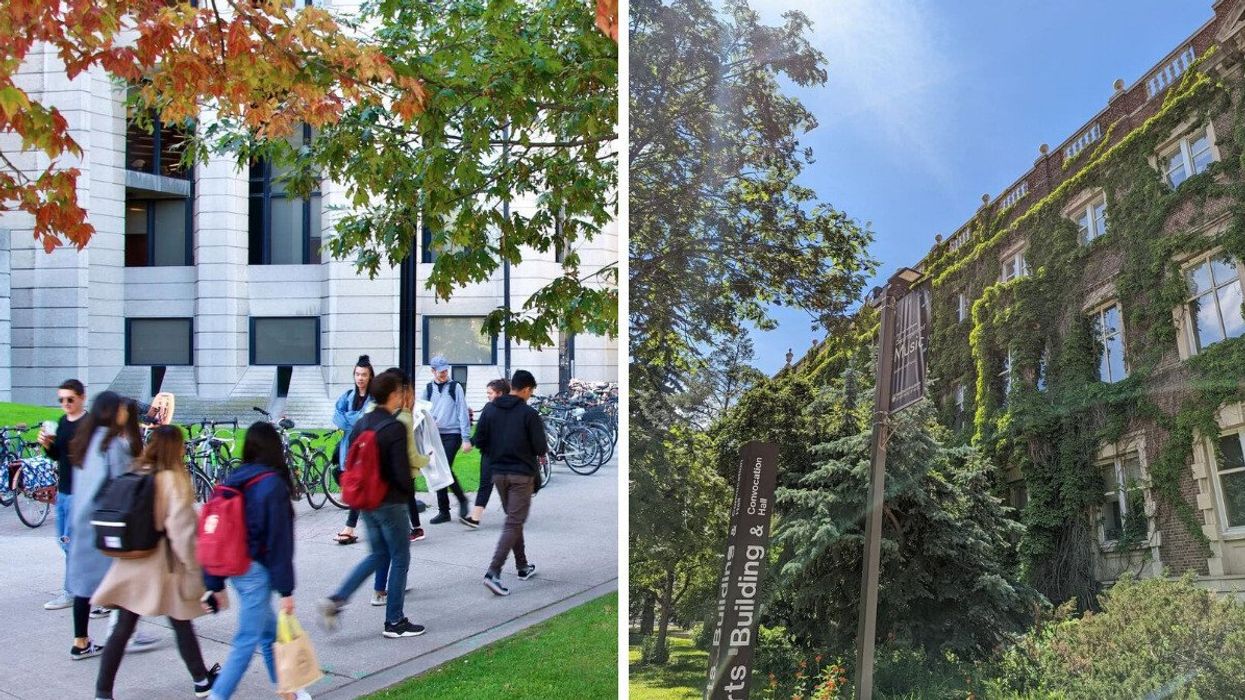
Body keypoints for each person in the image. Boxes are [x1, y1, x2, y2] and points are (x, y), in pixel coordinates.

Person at [91, 426, 220, 699]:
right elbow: (182, 532)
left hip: (131, 561)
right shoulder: (172, 479)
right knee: (180, 620)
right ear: (176, 448)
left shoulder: (138, 470)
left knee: (123, 627)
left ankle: (103, 691)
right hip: (162, 563)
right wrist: (196, 569)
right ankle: (201, 680)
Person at [201, 422, 305, 700]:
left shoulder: (234, 478)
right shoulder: (272, 485)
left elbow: (214, 532)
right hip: (255, 572)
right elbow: (279, 543)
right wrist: (286, 591)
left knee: (269, 633)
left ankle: (288, 692)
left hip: (237, 569)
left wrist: (215, 582)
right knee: (247, 640)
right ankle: (218, 696)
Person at [318, 369, 425, 638]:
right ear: (392, 395)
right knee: (400, 557)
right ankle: (395, 621)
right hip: (390, 502)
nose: (403, 396)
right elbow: (401, 472)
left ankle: (337, 599)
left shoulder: (362, 423)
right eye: (400, 392)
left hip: (366, 501)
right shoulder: (394, 427)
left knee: (378, 555)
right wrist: (409, 495)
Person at [66, 393, 156, 658]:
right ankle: (123, 634)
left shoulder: (86, 440)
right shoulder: (113, 445)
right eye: (121, 410)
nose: (125, 414)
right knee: (124, 579)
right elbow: (124, 483)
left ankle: (80, 641)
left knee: (83, 584)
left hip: (82, 519)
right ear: (112, 411)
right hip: (107, 522)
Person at [474, 370, 548, 596]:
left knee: (513, 520)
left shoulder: (490, 410)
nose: (530, 395)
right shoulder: (528, 414)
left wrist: (496, 452)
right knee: (514, 522)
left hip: (498, 473)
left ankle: (522, 566)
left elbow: (479, 440)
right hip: (521, 475)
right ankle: (493, 572)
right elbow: (540, 447)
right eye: (531, 391)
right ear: (525, 389)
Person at [39, 378, 87, 610]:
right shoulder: (62, 422)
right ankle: (80, 589)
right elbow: (58, 455)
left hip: (83, 492)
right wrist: (48, 445)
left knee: (73, 543)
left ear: (81, 398)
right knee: (65, 540)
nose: (66, 404)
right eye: (62, 400)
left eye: (70, 399)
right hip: (65, 491)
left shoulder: (89, 424)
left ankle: (74, 591)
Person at [424, 356, 471, 524]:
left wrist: (465, 438)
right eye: (440, 371)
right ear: (433, 371)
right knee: (438, 471)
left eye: (445, 370)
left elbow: (462, 412)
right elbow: (423, 412)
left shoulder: (455, 387)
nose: (444, 373)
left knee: (445, 468)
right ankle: (444, 511)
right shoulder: (428, 389)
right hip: (435, 435)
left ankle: (462, 500)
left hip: (453, 434)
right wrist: (429, 422)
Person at [334, 355, 374, 545]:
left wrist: (350, 419)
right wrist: (354, 419)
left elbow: (364, 421)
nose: (360, 378)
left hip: (367, 450)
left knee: (360, 487)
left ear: (370, 376)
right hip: (349, 447)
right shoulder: (348, 396)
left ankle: (349, 528)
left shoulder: (374, 398)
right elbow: (338, 417)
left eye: (364, 375)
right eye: (358, 374)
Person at [461, 378, 510, 529]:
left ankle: (477, 518)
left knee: (487, 485)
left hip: (492, 453)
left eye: (490, 393)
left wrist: (470, 443)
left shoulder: (490, 408)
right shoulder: (515, 408)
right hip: (507, 453)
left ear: (499, 393)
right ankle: (476, 518)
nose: (487, 395)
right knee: (501, 485)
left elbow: (481, 431)